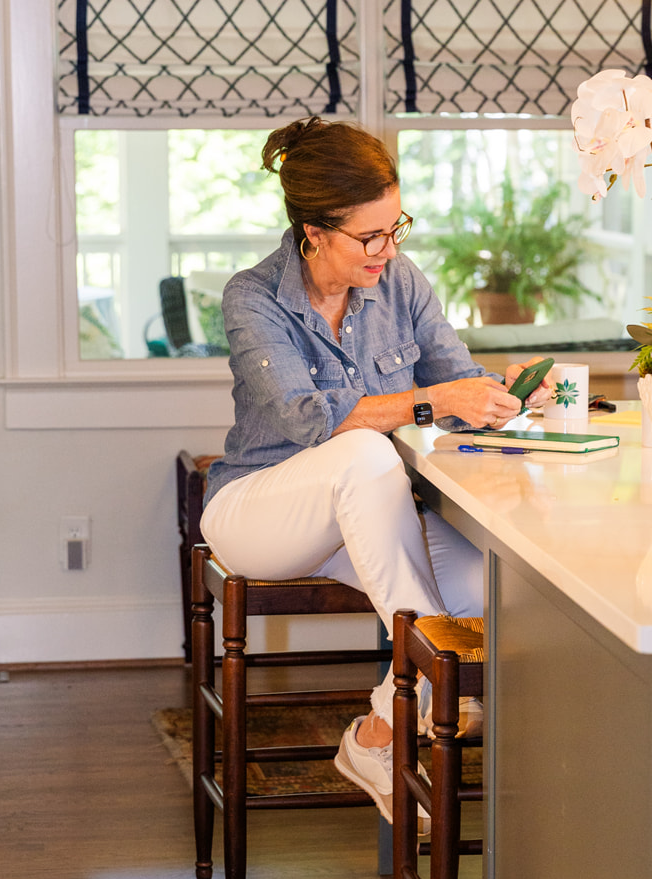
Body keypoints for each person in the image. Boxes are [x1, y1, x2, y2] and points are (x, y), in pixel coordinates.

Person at [200, 116, 551, 822]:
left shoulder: (400, 282)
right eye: (370, 236)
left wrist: (503, 396)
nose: (387, 250)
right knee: (361, 450)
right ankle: (429, 685)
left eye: (397, 228)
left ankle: (376, 734)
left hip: (365, 512)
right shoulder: (254, 297)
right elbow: (307, 419)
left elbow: (452, 385)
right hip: (260, 514)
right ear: (314, 231)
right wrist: (431, 398)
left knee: (491, 585)